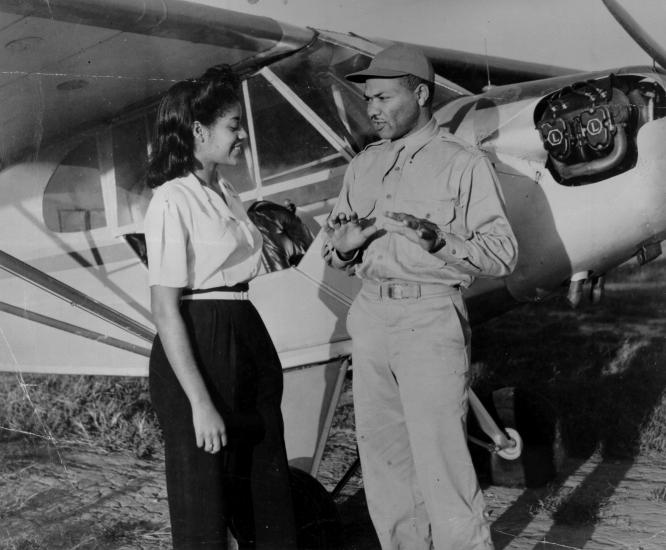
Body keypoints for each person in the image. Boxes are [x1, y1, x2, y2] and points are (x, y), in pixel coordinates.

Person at [323, 45, 518, 550]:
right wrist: (343, 251)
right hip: (369, 319)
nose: (372, 109)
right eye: (368, 99)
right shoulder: (362, 166)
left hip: (430, 317)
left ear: (421, 93)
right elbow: (336, 250)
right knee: (386, 470)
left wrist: (440, 241)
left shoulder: (463, 164)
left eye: (385, 97)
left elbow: (501, 254)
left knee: (443, 468)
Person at [144, 66, 297, 550]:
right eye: (233, 125)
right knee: (203, 502)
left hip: (243, 329)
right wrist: (201, 403)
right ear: (197, 131)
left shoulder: (225, 193)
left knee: (266, 484)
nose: (243, 134)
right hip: (198, 342)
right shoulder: (171, 201)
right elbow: (166, 309)